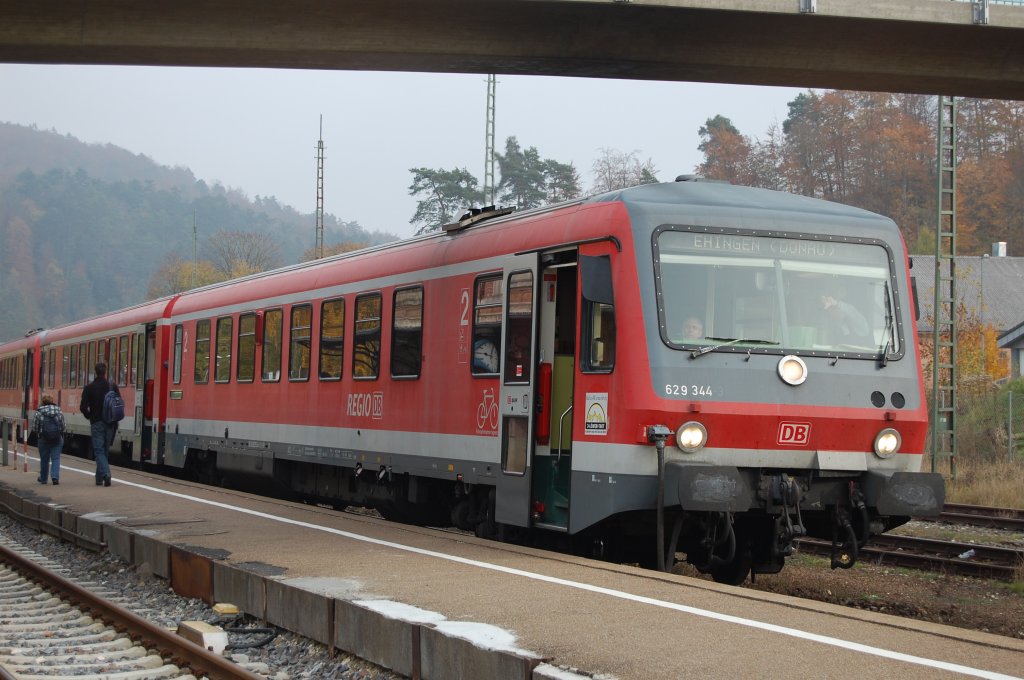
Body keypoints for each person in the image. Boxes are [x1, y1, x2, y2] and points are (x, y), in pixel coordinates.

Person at [80, 362, 114, 486]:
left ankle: (106, 473)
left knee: (98, 450)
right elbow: (119, 404)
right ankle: (99, 478)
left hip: (96, 422)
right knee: (104, 451)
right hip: (110, 423)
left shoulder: (89, 387)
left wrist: (90, 416)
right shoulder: (111, 386)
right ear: (105, 372)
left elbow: (83, 407)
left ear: (96, 372)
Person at [32, 394, 64, 485]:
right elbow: (63, 426)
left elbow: (34, 428)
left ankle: (43, 479)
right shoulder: (58, 411)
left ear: (42, 402)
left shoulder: (39, 412)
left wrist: (40, 432)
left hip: (43, 438)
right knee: (56, 458)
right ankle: (55, 478)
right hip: (57, 438)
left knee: (44, 459)